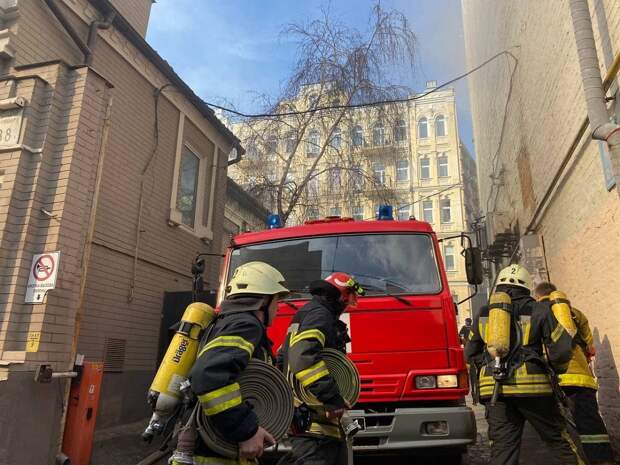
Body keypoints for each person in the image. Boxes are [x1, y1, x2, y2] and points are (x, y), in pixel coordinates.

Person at [465, 264, 586, 465]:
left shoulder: (484, 312)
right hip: (534, 388)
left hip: (494, 391)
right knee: (558, 440)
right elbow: (562, 349)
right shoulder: (540, 309)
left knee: (502, 449)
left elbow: (470, 353)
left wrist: (490, 366)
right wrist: (552, 369)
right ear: (527, 286)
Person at [181, 261, 290, 465]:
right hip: (215, 456)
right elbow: (207, 375)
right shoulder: (246, 325)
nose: (278, 308)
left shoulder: (223, 323)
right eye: (277, 301)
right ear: (264, 301)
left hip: (206, 447)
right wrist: (246, 430)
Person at [276, 272, 364, 465]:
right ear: (341, 295)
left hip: (313, 424)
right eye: (349, 298)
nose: (348, 304)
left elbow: (282, 356)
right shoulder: (320, 315)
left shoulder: (308, 313)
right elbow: (302, 357)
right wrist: (332, 398)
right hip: (315, 426)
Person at [535, 281, 616, 465]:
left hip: (556, 378)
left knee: (561, 425)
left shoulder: (538, 313)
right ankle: (603, 460)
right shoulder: (573, 312)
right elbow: (589, 345)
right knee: (590, 423)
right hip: (581, 378)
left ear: (537, 296)